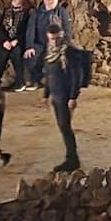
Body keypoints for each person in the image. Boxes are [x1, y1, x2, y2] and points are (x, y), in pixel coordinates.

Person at [41, 22, 81, 173]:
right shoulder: (50, 52)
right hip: (56, 95)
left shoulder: (68, 53)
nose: (55, 42)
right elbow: (49, 75)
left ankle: (72, 159)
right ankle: (72, 158)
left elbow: (76, 76)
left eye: (57, 39)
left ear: (61, 36)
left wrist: (73, 97)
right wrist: (46, 95)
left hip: (65, 95)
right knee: (63, 127)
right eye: (52, 39)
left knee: (65, 127)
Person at [23, 0, 71, 89]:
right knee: (31, 57)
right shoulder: (36, 13)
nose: (51, 1)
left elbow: (67, 29)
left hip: (57, 43)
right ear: (44, 0)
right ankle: (35, 80)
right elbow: (30, 29)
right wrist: (29, 46)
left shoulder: (61, 12)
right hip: (40, 43)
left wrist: (65, 44)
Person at [3, 0, 30, 87]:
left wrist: (16, 40)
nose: (16, 9)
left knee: (16, 54)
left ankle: (20, 81)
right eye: (14, 7)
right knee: (1, 55)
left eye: (18, 7)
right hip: (6, 40)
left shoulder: (26, 14)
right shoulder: (6, 13)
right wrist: (5, 41)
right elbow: (2, 28)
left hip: (19, 41)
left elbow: (25, 30)